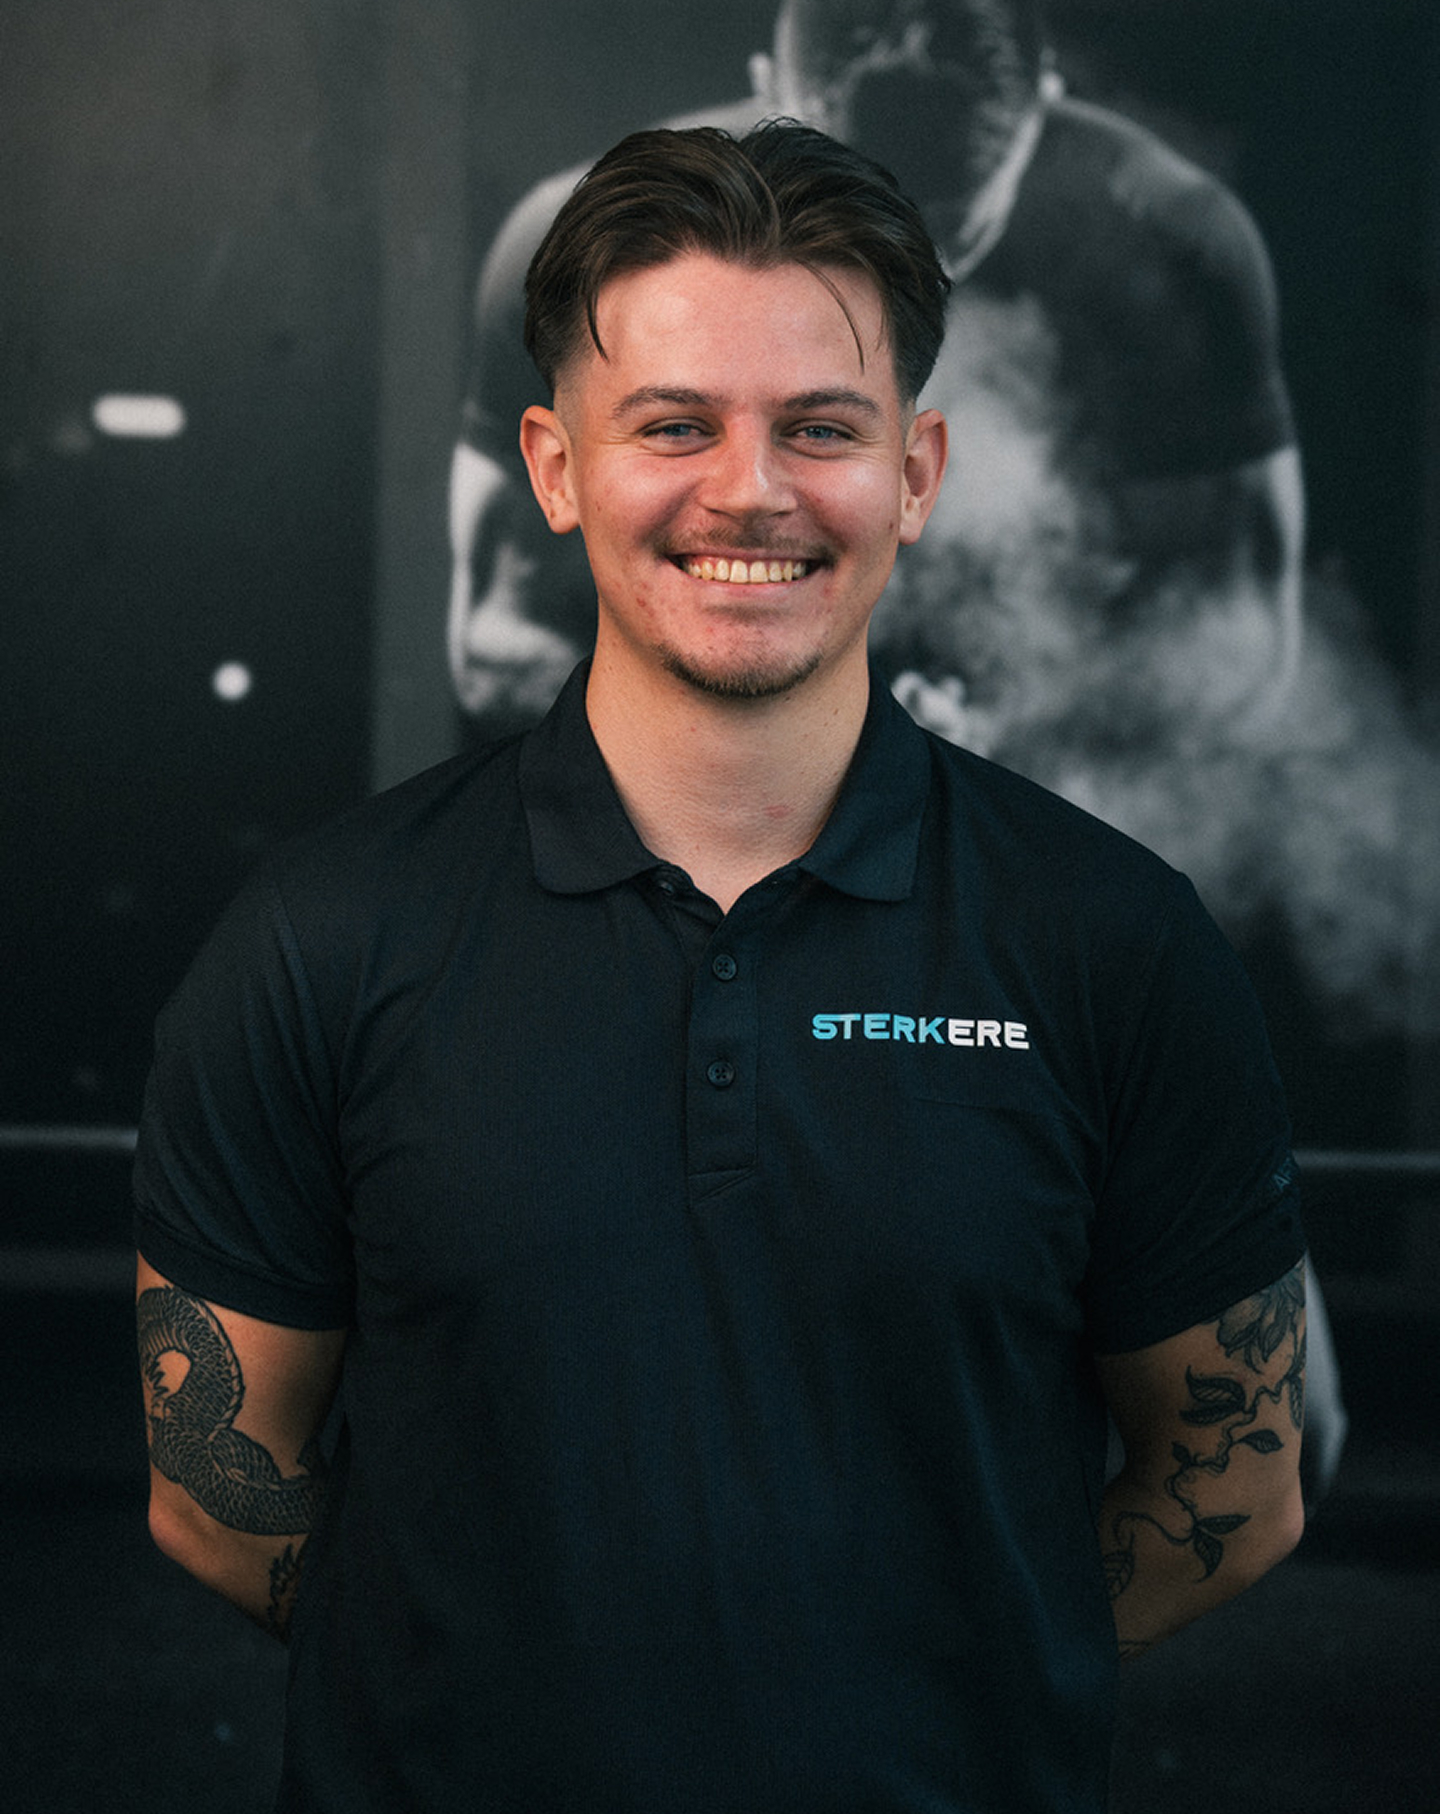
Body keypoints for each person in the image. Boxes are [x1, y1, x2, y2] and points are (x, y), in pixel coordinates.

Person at [135, 121, 1307, 1812]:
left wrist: (941, 1670)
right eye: (671, 424)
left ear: (915, 472)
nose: (748, 489)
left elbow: (1236, 1479)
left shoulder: (1116, 944)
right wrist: (499, 1687)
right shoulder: (323, 938)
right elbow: (211, 1487)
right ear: (552, 464)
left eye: (820, 428)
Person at [448, 0, 1304, 775]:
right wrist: (777, 750)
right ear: (765, 94)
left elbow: (1243, 652)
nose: (908, 295)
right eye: (846, 240)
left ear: (1042, 106)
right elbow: (495, 646)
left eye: (951, 244)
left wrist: (1009, 760)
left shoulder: (1169, 255)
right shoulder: (589, 253)